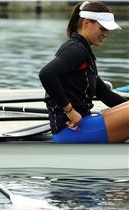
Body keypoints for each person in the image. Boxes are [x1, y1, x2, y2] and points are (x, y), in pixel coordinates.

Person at [39, 1, 129, 143]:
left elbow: (106, 95)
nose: (106, 34)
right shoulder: (76, 50)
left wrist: (126, 106)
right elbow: (46, 74)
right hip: (71, 130)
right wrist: (69, 110)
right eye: (102, 29)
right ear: (87, 23)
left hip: (82, 125)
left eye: (107, 30)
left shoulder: (82, 50)